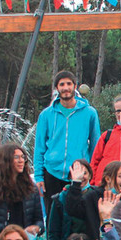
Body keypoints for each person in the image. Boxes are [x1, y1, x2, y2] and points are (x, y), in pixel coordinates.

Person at [33, 70, 101, 216]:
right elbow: (39, 147)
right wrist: (38, 176)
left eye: (69, 84)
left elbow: (96, 145)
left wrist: (91, 171)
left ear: (74, 86)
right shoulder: (46, 114)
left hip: (78, 174)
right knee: (53, 217)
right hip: (51, 172)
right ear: (57, 88)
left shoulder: (90, 113)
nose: (65, 88)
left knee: (77, 216)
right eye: (61, 84)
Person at [0, 143, 43, 240]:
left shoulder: (31, 188)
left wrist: (37, 228)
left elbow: (39, 220)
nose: (21, 160)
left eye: (23, 157)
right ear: (5, 160)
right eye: (16, 157)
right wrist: (6, 230)